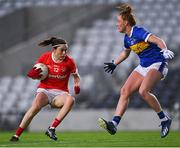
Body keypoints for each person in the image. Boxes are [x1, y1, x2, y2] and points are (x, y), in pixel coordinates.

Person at [98, 3, 174, 138]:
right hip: (144, 65)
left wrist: (165, 50)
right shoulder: (127, 38)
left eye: (118, 22)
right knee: (124, 91)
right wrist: (114, 63)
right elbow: (125, 53)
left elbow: (158, 40)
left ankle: (164, 119)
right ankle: (114, 124)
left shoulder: (138, 31)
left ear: (126, 22)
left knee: (143, 91)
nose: (117, 24)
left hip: (158, 63)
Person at [10, 37, 81, 141]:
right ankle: (16, 135)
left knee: (71, 100)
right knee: (34, 108)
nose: (64, 53)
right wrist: (33, 74)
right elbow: (37, 72)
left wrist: (76, 85)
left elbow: (76, 76)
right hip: (45, 90)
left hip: (60, 93)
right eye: (62, 50)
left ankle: (51, 128)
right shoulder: (45, 57)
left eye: (66, 50)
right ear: (54, 49)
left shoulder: (70, 61)